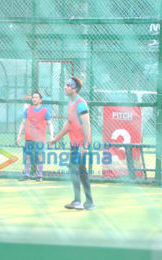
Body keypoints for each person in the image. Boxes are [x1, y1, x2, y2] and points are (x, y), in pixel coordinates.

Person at [49, 77, 95, 210]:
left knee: (77, 169)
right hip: (75, 144)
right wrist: (55, 139)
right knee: (79, 170)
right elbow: (68, 125)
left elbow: (86, 124)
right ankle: (87, 202)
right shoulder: (71, 104)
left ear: (74, 89)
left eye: (68, 85)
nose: (65, 87)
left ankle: (80, 201)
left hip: (81, 144)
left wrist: (85, 145)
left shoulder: (80, 103)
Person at [17, 92, 54, 182]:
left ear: (40, 100)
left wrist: (52, 136)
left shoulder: (45, 111)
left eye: (36, 97)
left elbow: (50, 124)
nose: (34, 99)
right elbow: (23, 123)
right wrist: (19, 136)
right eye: (33, 97)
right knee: (28, 156)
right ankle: (26, 175)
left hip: (40, 139)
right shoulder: (27, 110)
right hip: (29, 137)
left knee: (40, 156)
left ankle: (39, 176)